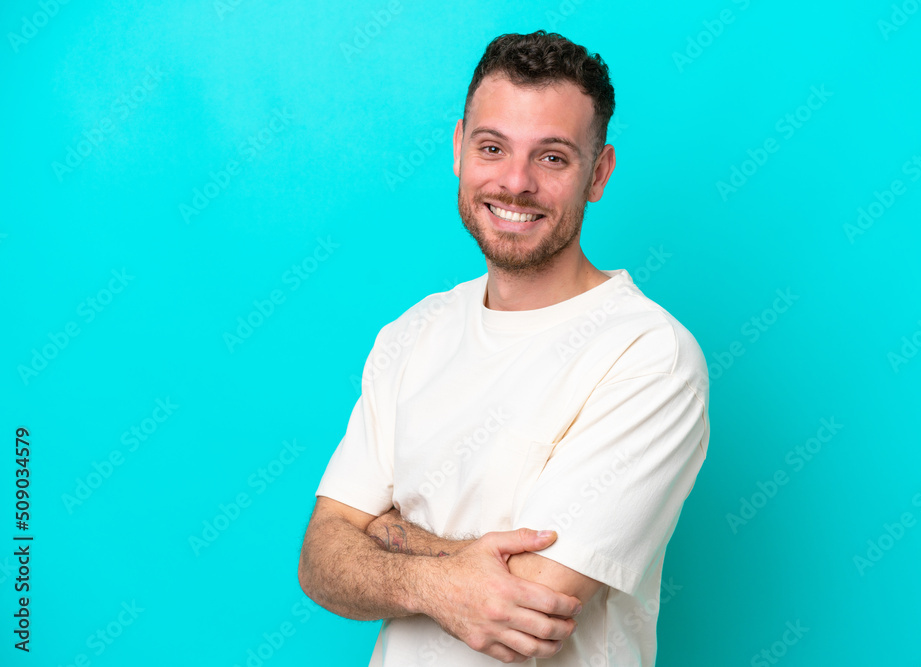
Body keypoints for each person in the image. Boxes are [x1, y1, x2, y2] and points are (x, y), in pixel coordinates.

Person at [298, 30, 710, 666]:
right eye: (493, 148)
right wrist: (446, 574)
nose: (515, 183)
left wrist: (385, 534)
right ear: (459, 149)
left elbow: (529, 603)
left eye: (551, 157)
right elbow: (321, 558)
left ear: (597, 174)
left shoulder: (649, 355)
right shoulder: (412, 333)